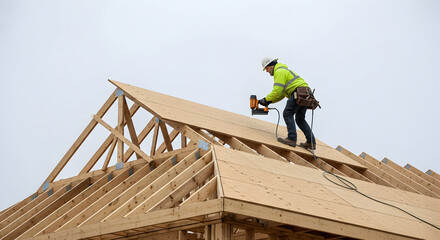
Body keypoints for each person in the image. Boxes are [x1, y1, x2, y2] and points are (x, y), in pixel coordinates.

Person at [259, 57, 316, 149]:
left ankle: (292, 138)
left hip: (297, 92)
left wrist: (265, 99)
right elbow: (281, 94)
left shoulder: (279, 71)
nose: (266, 71)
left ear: (271, 65)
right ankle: (311, 142)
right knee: (300, 119)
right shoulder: (283, 70)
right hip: (305, 93)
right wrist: (270, 101)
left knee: (287, 113)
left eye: (266, 68)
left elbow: (277, 90)